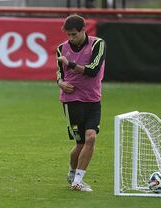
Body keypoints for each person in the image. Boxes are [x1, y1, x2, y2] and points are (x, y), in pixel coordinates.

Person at [56, 14, 106, 192]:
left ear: (83, 30)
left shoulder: (98, 44)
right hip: (72, 100)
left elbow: (93, 70)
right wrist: (61, 83)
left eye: (74, 34)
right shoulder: (61, 48)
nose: (70, 38)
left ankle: (78, 180)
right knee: (80, 143)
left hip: (93, 99)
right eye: (68, 35)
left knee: (91, 138)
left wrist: (70, 64)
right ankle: (72, 172)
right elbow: (59, 75)